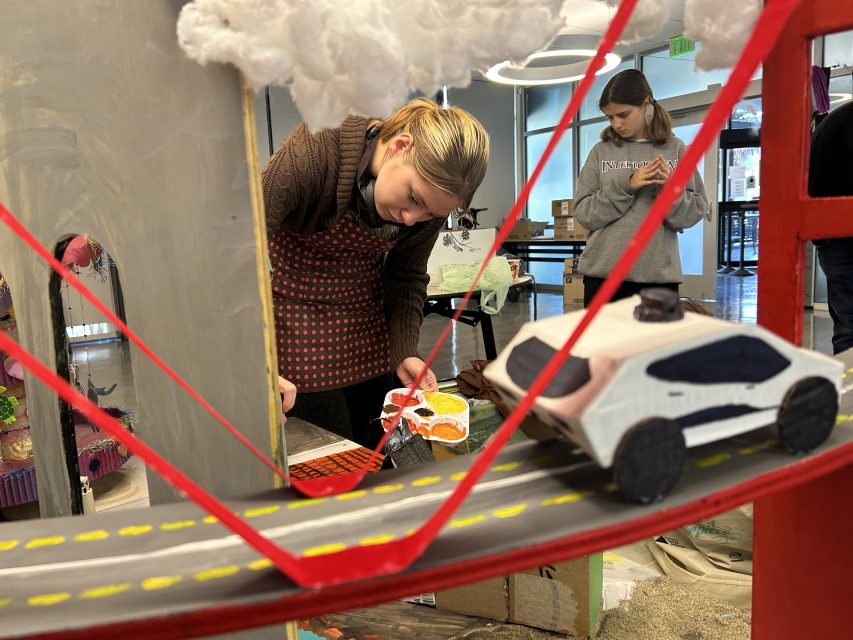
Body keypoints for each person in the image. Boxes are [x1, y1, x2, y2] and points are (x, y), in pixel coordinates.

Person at [263, 97, 489, 447]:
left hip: (366, 324)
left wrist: (405, 351)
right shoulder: (313, 153)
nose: (412, 219)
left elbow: (408, 276)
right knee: (331, 453)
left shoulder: (430, 203)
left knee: (394, 446)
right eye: (413, 198)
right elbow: (234, 257)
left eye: (430, 213)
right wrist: (254, 358)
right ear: (400, 146)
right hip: (296, 321)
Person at [573, 69, 709, 307]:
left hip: (658, 281)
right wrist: (627, 185)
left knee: (655, 346)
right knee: (603, 346)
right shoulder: (600, 151)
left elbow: (696, 210)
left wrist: (671, 192)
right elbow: (584, 213)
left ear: (646, 104)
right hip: (602, 278)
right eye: (610, 117)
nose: (617, 124)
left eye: (623, 114)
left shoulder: (675, 149)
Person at [809, 100, 853, 355]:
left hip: (835, 241)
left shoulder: (835, 122)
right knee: (848, 325)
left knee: (848, 324)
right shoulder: (838, 123)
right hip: (839, 240)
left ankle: (847, 393)